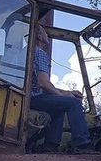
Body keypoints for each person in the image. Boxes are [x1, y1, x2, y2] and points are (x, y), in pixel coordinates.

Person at [30, 24, 96, 153]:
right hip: (34, 98)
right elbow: (43, 83)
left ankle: (50, 146)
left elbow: (42, 85)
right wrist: (63, 96)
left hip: (29, 97)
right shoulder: (40, 53)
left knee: (58, 107)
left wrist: (67, 93)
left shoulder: (28, 52)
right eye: (44, 33)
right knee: (74, 104)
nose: (47, 35)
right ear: (39, 36)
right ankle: (82, 144)